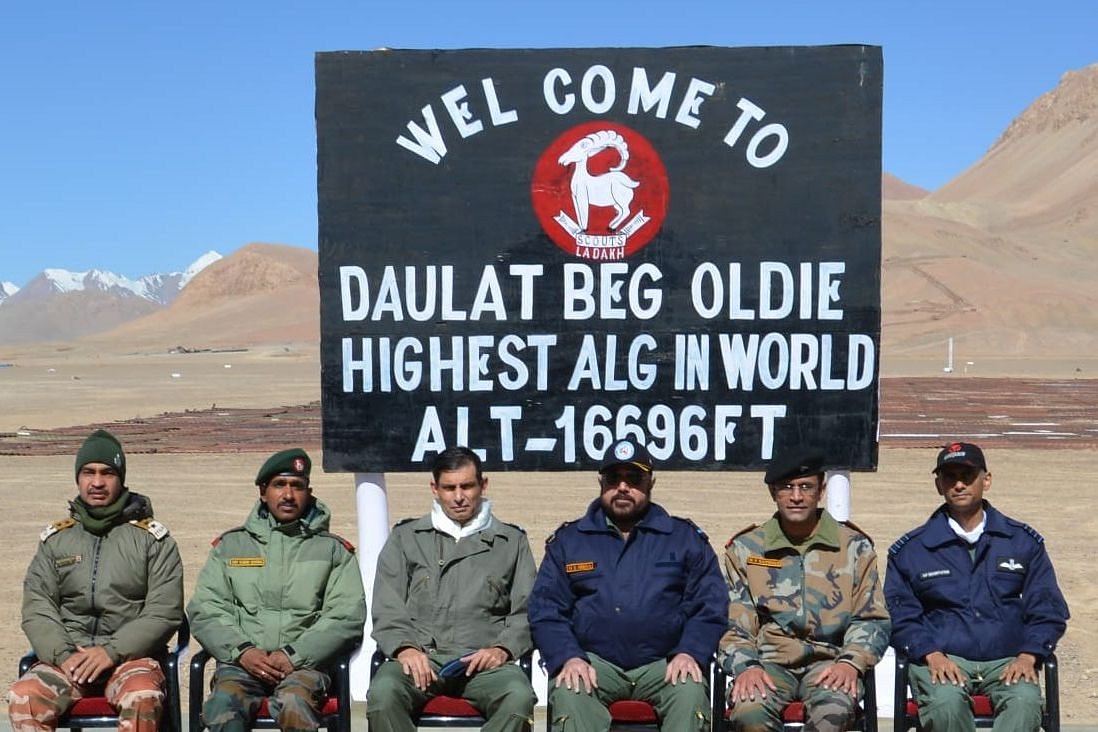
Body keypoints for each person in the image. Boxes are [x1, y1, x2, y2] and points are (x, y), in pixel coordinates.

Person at [528, 439, 728, 732]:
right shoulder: (570, 542)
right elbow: (546, 610)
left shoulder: (683, 538)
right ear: (600, 482)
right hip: (593, 664)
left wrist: (690, 651)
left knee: (690, 694)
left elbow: (710, 606)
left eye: (633, 479)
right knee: (570, 694)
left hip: (666, 664)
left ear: (651, 483)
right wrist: (568, 656)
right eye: (613, 479)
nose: (623, 487)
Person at [8, 429, 185, 732]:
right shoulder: (56, 540)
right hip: (68, 658)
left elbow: (163, 611)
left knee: (142, 696)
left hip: (132, 659)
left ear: (121, 478)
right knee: (24, 696)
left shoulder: (153, 540)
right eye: (88, 472)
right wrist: (63, 655)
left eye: (108, 473)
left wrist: (111, 652)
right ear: (78, 478)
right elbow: (38, 607)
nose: (98, 482)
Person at [885, 441, 1069, 732]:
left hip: (1008, 658)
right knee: (945, 703)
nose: (959, 485)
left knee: (1024, 701)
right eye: (950, 477)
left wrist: (1030, 654)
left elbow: (1047, 607)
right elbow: (899, 613)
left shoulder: (1022, 542)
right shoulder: (912, 550)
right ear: (938, 485)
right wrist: (930, 653)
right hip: (942, 657)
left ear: (987, 480)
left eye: (967, 476)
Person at [188, 448, 366, 732]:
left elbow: (345, 617)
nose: (288, 495)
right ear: (263, 492)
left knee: (294, 704)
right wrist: (243, 651)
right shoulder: (231, 547)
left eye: (297, 486)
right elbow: (207, 609)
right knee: (223, 707)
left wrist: (293, 655)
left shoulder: (333, 551)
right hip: (242, 665)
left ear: (308, 491)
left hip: (304, 667)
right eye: (279, 485)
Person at [367, 446, 537, 731]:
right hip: (420, 659)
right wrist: (405, 648)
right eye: (449, 488)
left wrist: (503, 648)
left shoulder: (511, 542)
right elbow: (388, 605)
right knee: (383, 695)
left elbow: (526, 610)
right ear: (434, 488)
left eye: (467, 486)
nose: (458, 497)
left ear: (483, 485)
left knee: (518, 698)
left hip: (484, 663)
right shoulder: (406, 538)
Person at [720, 446, 890, 732]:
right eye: (787, 487)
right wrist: (746, 666)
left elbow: (871, 619)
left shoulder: (854, 547)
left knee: (833, 713)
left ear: (821, 490)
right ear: (773, 492)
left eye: (805, 487)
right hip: (769, 662)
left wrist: (851, 663)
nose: (796, 496)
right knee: (750, 711)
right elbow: (734, 625)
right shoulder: (746, 549)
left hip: (831, 661)